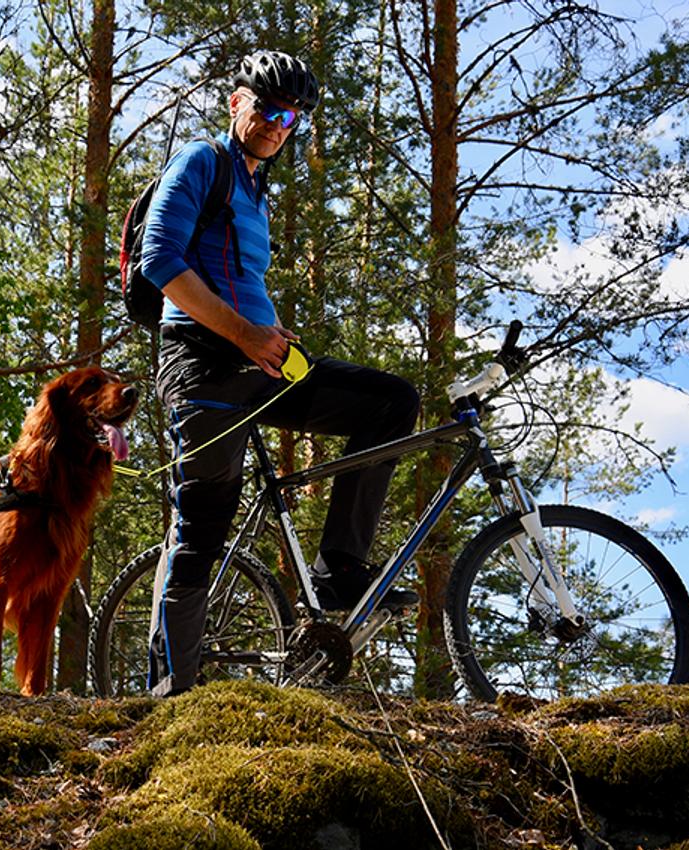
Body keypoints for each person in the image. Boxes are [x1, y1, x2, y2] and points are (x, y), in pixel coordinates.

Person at [142, 50, 422, 697]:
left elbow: (236, 277)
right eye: (266, 107)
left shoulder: (254, 185)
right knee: (199, 533)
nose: (276, 123)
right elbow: (159, 259)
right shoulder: (200, 163)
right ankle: (167, 697)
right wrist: (243, 332)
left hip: (261, 362)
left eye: (289, 115)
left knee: (389, 404)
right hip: (203, 369)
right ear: (235, 102)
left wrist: (263, 334)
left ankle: (338, 570)